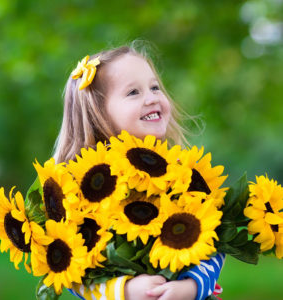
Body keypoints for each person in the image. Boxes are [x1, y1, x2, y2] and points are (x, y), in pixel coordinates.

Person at [53, 43, 225, 300]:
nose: (152, 97)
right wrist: (124, 291)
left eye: (155, 87)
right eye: (133, 92)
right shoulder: (81, 190)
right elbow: (72, 272)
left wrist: (192, 287)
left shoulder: (183, 174)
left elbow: (214, 240)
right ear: (97, 113)